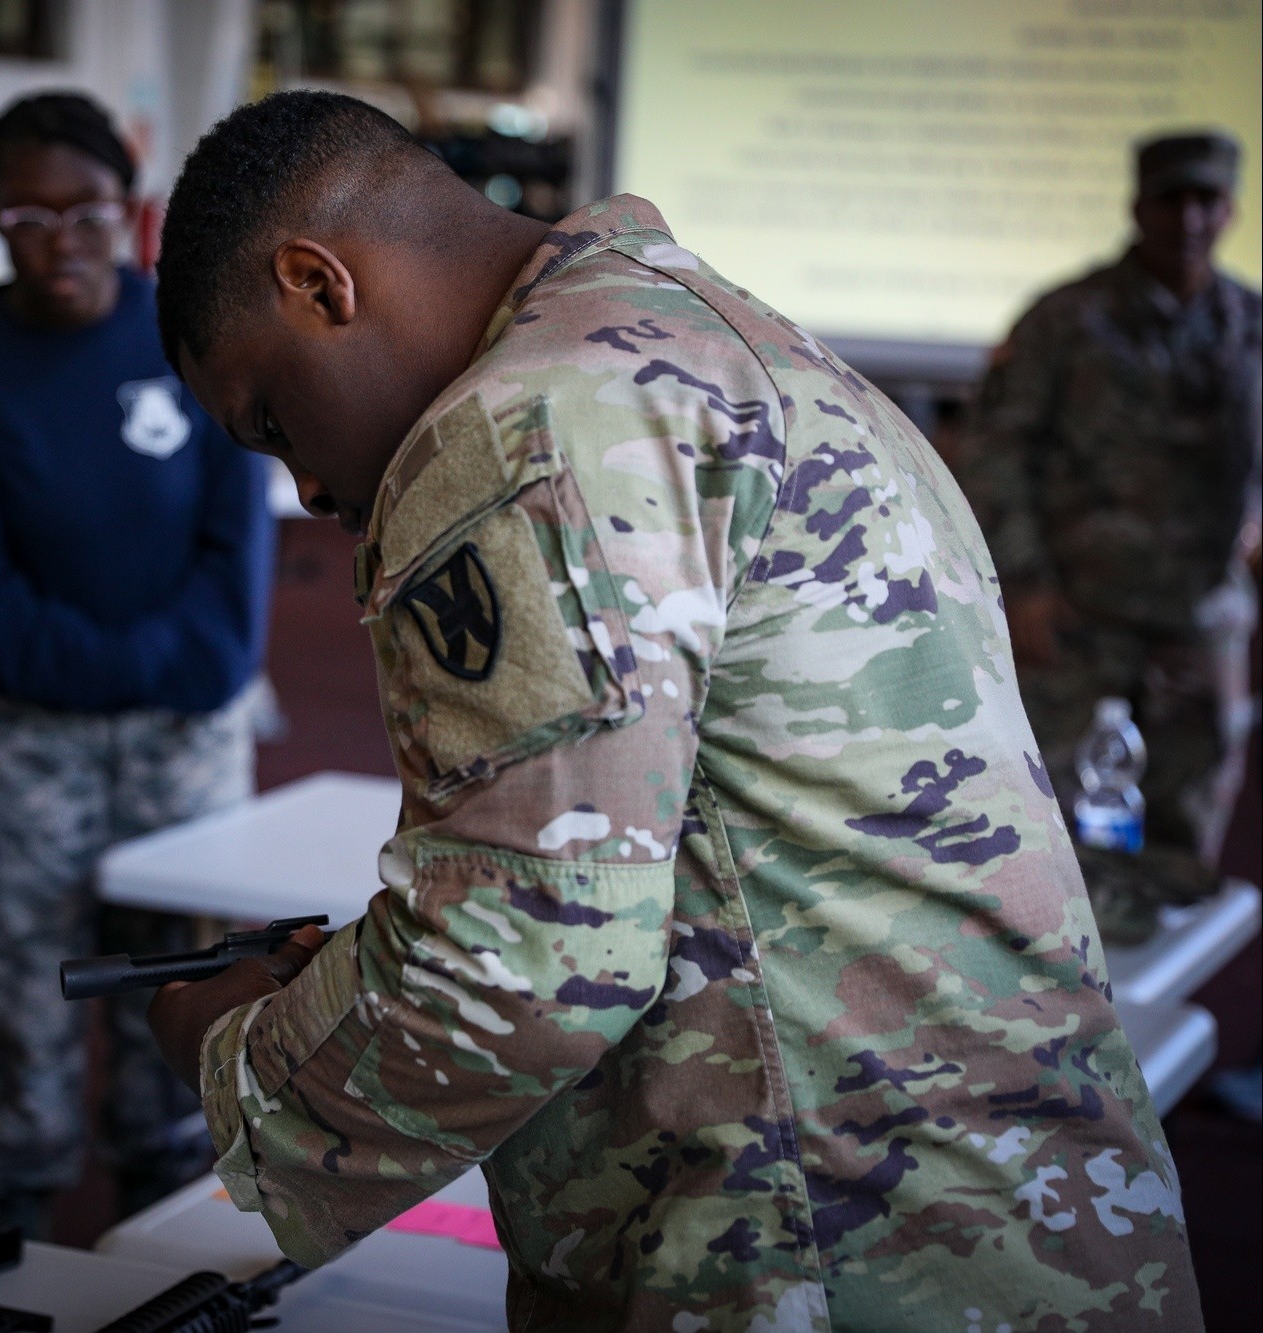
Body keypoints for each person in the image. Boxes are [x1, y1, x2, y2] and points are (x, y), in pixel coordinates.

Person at [146, 90, 1200, 1330]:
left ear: (319, 285)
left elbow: (530, 966)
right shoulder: (737, 349)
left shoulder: (520, 430)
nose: (311, 484)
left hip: (829, 1252)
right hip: (1007, 1225)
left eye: (270, 422)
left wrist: (233, 1056)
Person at [0, 91, 275, 1233]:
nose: (60, 241)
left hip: (183, 736)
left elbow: (231, 592)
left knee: (181, 999)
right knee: (19, 1004)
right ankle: (6, 1216)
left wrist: (149, 666)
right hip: (27, 748)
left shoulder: (194, 334)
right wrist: (123, 664)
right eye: (28, 215)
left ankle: (171, 1227)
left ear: (131, 210)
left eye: (87, 213)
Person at [959, 130, 1261, 945]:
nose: (1190, 217)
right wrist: (1022, 585)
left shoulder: (1249, 323)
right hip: (1079, 612)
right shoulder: (1068, 318)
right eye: (1172, 198)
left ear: (1230, 208)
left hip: (1202, 616)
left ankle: (1172, 1000)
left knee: (1185, 825)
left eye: (1207, 200)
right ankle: (1057, 991)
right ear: (1139, 207)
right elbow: (992, 450)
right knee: (1049, 816)